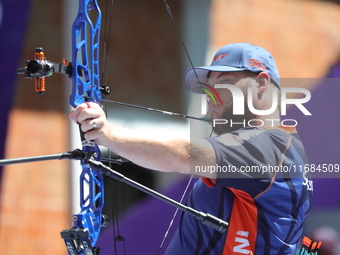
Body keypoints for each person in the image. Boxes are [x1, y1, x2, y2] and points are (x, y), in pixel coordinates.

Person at [70, 43, 312, 254]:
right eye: (209, 87)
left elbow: (184, 154)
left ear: (261, 83)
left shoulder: (273, 146)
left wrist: (109, 135)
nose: (210, 95)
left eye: (225, 82)